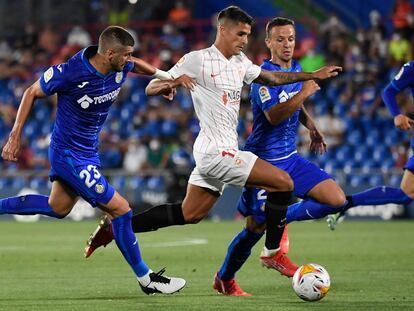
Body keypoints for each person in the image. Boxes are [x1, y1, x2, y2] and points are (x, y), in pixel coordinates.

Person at [84, 6, 341, 281]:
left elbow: (275, 77)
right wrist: (173, 83)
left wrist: (312, 75)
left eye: (248, 35)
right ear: (223, 29)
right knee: (283, 183)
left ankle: (117, 227)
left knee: (189, 213)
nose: (244, 40)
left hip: (217, 150)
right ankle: (273, 251)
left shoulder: (240, 62)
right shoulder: (198, 59)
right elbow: (151, 87)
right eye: (240, 34)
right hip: (217, 152)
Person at [0, 26, 186, 295]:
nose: (128, 60)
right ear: (109, 53)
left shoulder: (119, 65)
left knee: (58, 207)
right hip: (69, 154)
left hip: (88, 153)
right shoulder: (70, 72)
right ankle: (147, 279)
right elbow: (31, 92)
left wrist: (165, 78)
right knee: (122, 209)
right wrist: (15, 136)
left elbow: (138, 66)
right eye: (125, 55)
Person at [212, 17, 351, 296]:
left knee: (337, 200)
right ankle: (225, 279)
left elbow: (294, 106)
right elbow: (274, 116)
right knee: (255, 228)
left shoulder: (297, 69)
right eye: (280, 39)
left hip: (291, 158)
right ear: (268, 42)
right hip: (262, 162)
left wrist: (311, 126)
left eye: (290, 39)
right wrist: (308, 88)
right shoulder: (261, 75)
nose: (287, 44)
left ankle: (280, 218)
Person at [327, 61, 414, 229]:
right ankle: (345, 203)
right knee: (406, 193)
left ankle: (346, 204)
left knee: (405, 195)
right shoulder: (412, 68)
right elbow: (388, 92)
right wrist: (397, 115)